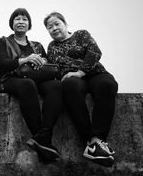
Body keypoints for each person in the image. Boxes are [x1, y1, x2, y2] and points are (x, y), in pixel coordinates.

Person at [43, 12, 118, 167]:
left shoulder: (81, 34)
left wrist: (80, 71)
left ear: (65, 24)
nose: (54, 28)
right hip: (73, 79)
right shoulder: (52, 47)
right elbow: (55, 68)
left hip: (94, 72)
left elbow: (94, 51)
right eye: (50, 27)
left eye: (57, 23)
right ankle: (90, 141)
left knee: (107, 84)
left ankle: (97, 140)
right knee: (69, 86)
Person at [0, 8, 62, 162]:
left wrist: (42, 61)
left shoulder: (37, 45)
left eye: (25, 19)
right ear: (12, 23)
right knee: (28, 84)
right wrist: (24, 60)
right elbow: (3, 64)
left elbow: (48, 65)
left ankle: (42, 136)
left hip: (37, 78)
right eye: (17, 19)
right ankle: (44, 141)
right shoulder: (3, 41)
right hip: (12, 79)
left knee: (56, 86)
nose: (21, 22)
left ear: (29, 24)